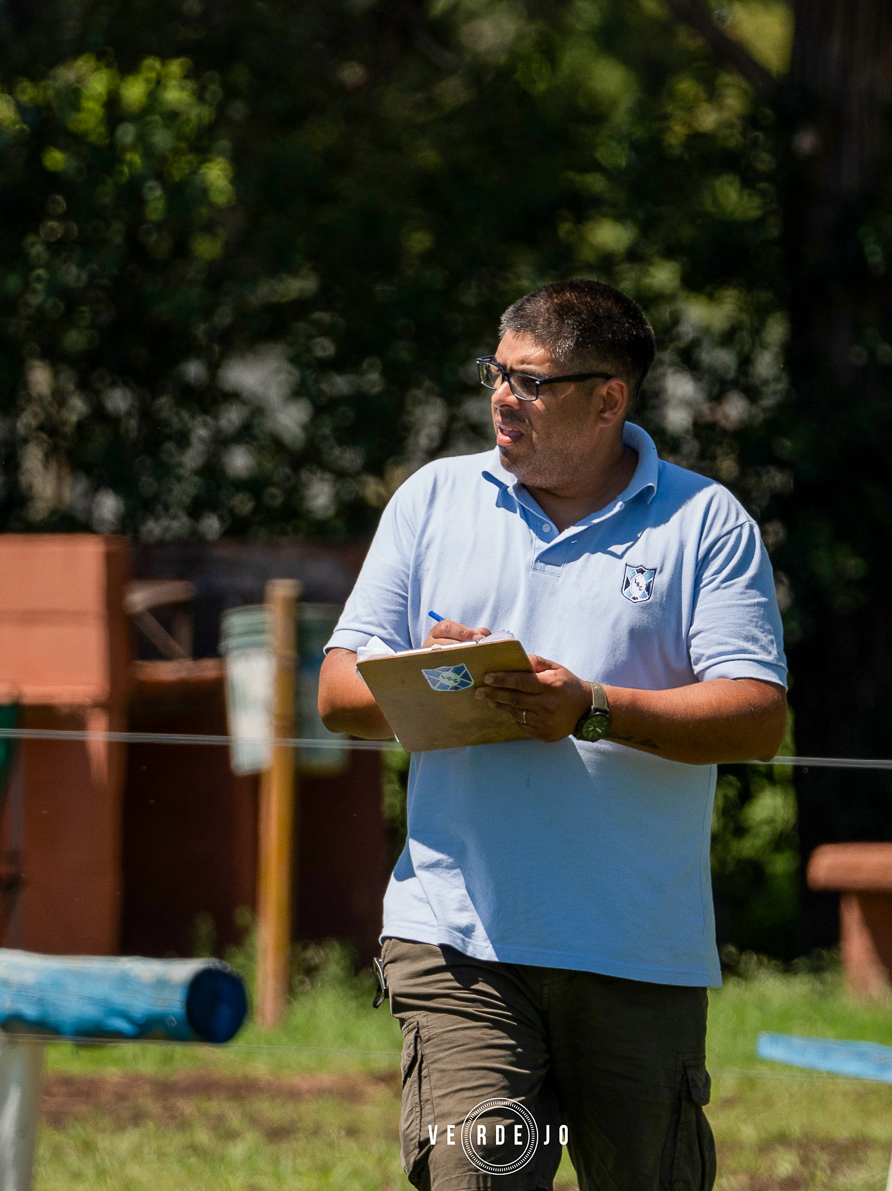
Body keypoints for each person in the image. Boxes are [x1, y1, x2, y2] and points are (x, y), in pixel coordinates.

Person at [318, 279, 788, 1191]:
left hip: (633, 950)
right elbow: (339, 695)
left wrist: (592, 707)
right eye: (498, 372)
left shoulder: (705, 522)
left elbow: (756, 716)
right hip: (460, 947)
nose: (503, 396)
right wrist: (430, 677)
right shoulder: (434, 500)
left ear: (609, 397)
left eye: (532, 382)